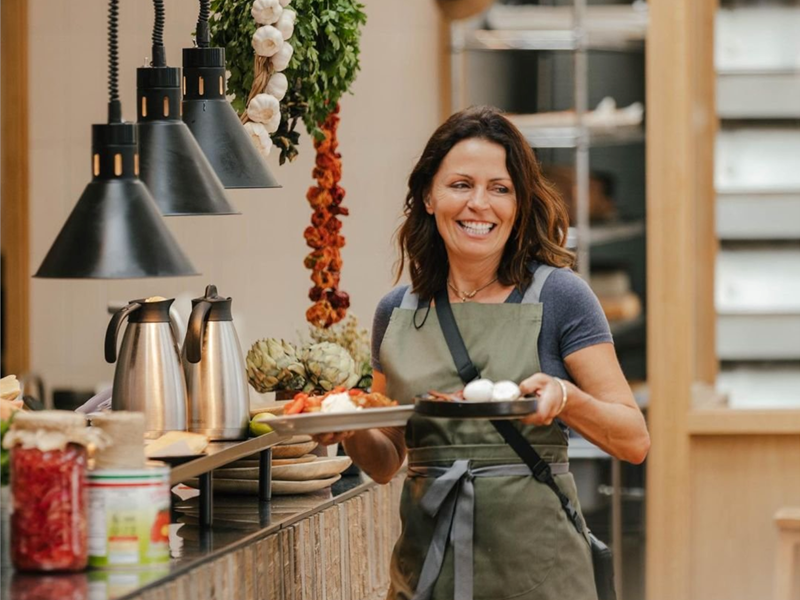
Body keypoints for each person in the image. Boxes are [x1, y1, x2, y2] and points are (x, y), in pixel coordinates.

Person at [314, 106, 650, 600]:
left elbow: (633, 440)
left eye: (500, 188)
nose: (479, 205)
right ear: (429, 196)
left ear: (519, 204)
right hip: (428, 576)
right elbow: (387, 460)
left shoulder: (559, 297)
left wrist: (565, 398)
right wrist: (348, 426)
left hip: (542, 576)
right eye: (461, 185)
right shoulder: (397, 311)